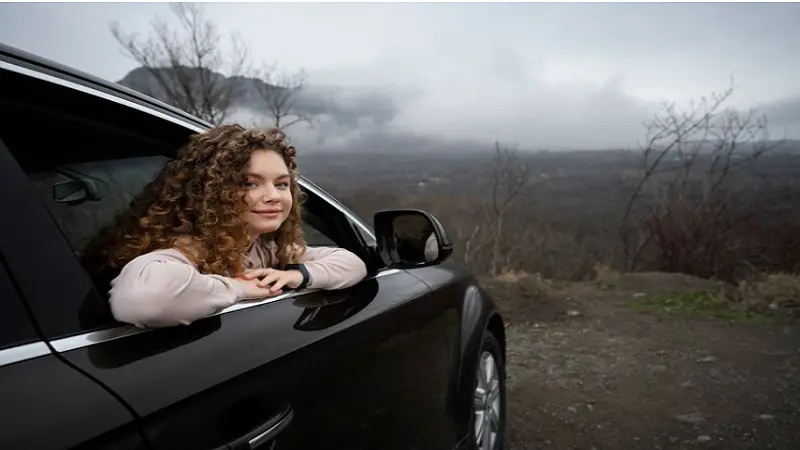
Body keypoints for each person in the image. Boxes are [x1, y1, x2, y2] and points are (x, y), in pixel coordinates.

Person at [82, 125, 368, 328]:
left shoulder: (266, 248)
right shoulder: (186, 249)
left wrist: (298, 275)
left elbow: (352, 263)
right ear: (210, 192)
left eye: (281, 184)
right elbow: (144, 300)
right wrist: (237, 288)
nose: (273, 196)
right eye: (249, 183)